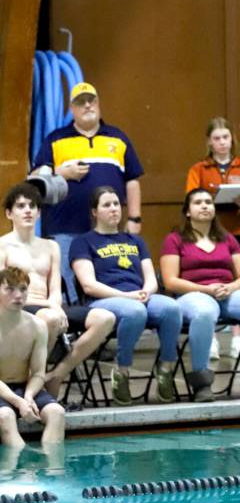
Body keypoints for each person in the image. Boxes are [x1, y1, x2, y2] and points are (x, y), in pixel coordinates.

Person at [0, 182, 115, 399]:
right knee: (50, 318)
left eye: (32, 206)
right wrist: (51, 307)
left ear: (38, 212)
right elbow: (3, 293)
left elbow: (55, 288)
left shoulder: (51, 246)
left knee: (105, 318)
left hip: (50, 306)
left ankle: (56, 374)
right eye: (21, 206)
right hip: (17, 308)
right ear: (9, 213)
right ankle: (34, 380)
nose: (27, 211)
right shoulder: (3, 246)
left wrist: (54, 304)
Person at [31, 81, 144, 302]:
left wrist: (135, 218)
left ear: (98, 104)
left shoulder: (118, 138)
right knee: (66, 281)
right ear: (72, 109)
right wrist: (61, 172)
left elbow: (132, 181)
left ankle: (108, 321)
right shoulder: (56, 139)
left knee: (112, 276)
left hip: (108, 229)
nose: (87, 106)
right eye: (81, 103)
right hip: (64, 226)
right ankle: (71, 329)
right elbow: (34, 179)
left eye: (91, 100)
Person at [70, 187, 182, 406]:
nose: (113, 209)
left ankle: (166, 369)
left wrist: (147, 291)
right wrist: (125, 296)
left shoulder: (135, 241)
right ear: (94, 212)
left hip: (137, 296)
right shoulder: (83, 242)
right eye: (106, 205)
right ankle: (122, 372)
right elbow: (88, 285)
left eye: (115, 204)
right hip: (104, 300)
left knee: (171, 308)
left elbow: (150, 277)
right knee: (135, 312)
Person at [160, 189, 240, 401]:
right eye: (198, 202)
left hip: (226, 294)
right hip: (192, 294)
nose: (204, 206)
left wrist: (230, 288)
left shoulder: (228, 239)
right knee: (204, 311)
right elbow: (170, 281)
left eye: (208, 202)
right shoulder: (174, 239)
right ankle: (201, 382)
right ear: (187, 211)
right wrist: (206, 289)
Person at [184, 117, 240, 359]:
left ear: (232, 140)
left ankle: (238, 337)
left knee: (237, 285)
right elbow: (190, 197)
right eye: (217, 138)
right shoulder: (199, 169)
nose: (222, 143)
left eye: (226, 137)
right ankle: (209, 337)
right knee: (209, 282)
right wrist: (208, 201)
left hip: (238, 233)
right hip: (207, 234)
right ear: (209, 142)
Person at [0, 266, 65, 448]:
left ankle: (53, 469)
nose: (18, 295)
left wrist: (28, 397)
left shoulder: (38, 326)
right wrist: (18, 402)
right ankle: (21, 472)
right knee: (5, 416)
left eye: (22, 289)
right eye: (10, 289)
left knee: (56, 413)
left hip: (24, 387)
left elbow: (38, 373)